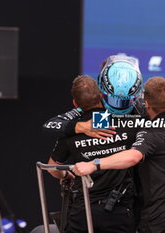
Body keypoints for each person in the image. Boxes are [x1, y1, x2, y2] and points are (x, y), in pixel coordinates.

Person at [73, 76, 165, 233]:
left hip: (160, 220)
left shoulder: (150, 133)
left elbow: (133, 157)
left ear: (146, 103)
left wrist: (93, 164)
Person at [47, 75, 137, 233]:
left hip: (84, 211)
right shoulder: (124, 121)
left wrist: (66, 175)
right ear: (102, 96)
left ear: (75, 104)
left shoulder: (71, 130)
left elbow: (52, 167)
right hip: (119, 210)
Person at [42, 54, 144, 139]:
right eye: (112, 98)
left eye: (125, 101)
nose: (118, 105)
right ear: (101, 91)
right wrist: (82, 126)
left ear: (137, 94)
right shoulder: (94, 104)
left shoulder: (144, 106)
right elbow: (50, 125)